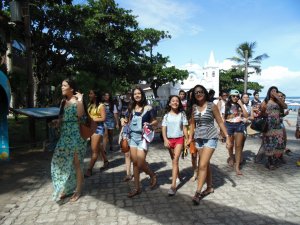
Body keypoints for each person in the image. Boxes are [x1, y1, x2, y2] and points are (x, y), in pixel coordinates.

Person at [187, 85, 230, 205]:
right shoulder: (194, 107)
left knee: (202, 165)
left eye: (201, 92)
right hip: (199, 139)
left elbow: (220, 122)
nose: (198, 94)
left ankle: (198, 192)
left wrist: (227, 137)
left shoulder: (212, 106)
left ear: (205, 93)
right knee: (206, 164)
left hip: (211, 137)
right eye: (196, 93)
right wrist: (190, 138)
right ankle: (210, 187)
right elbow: (192, 124)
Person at [51, 78, 87, 202]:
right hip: (64, 136)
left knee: (76, 163)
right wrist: (57, 122)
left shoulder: (77, 101)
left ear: (71, 88)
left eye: (64, 85)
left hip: (75, 136)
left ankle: (78, 190)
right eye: (62, 85)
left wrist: (81, 100)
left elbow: (81, 115)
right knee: (62, 161)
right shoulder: (63, 102)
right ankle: (68, 188)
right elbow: (63, 118)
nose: (62, 87)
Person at [123, 87, 158, 198]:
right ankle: (136, 188)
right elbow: (127, 120)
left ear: (142, 95)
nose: (137, 95)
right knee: (135, 163)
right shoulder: (131, 108)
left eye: (139, 93)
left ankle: (152, 175)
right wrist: (124, 122)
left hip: (143, 139)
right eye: (135, 94)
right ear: (133, 96)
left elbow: (155, 121)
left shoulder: (148, 108)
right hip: (133, 137)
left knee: (141, 162)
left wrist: (150, 124)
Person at [161, 95, 188, 196]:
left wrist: (187, 139)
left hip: (179, 139)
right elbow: (163, 128)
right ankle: (178, 175)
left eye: (177, 101)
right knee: (173, 160)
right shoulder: (166, 116)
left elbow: (185, 128)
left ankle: (173, 186)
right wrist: (165, 139)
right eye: (173, 101)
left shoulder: (182, 114)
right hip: (169, 140)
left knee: (175, 159)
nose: (175, 102)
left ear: (179, 103)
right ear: (169, 103)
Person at [260, 86, 287, 169]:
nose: (274, 92)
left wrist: (278, 98)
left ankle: (275, 159)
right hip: (269, 126)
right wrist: (265, 112)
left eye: (275, 91)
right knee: (269, 144)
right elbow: (262, 112)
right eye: (272, 91)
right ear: (269, 92)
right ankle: (270, 161)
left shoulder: (278, 101)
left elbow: (285, 106)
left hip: (278, 126)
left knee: (278, 143)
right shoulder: (266, 101)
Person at [224, 89, 248, 175]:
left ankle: (237, 166)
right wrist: (222, 130)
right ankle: (231, 158)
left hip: (239, 125)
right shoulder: (226, 104)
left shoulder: (241, 105)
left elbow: (246, 116)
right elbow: (223, 117)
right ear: (230, 96)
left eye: (237, 96)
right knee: (230, 145)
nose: (235, 97)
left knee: (238, 146)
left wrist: (241, 104)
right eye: (233, 96)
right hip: (229, 125)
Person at [84, 89, 106, 177]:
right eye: (89, 93)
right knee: (98, 146)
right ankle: (106, 161)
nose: (89, 95)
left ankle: (89, 170)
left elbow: (103, 118)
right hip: (90, 128)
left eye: (91, 94)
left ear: (95, 95)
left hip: (98, 129)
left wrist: (93, 120)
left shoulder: (101, 106)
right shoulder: (90, 105)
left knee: (94, 150)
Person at [120, 91, 133, 182]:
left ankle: (139, 168)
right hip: (127, 132)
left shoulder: (142, 109)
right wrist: (122, 121)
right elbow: (125, 119)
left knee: (135, 155)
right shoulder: (128, 110)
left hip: (137, 134)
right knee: (127, 154)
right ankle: (128, 173)